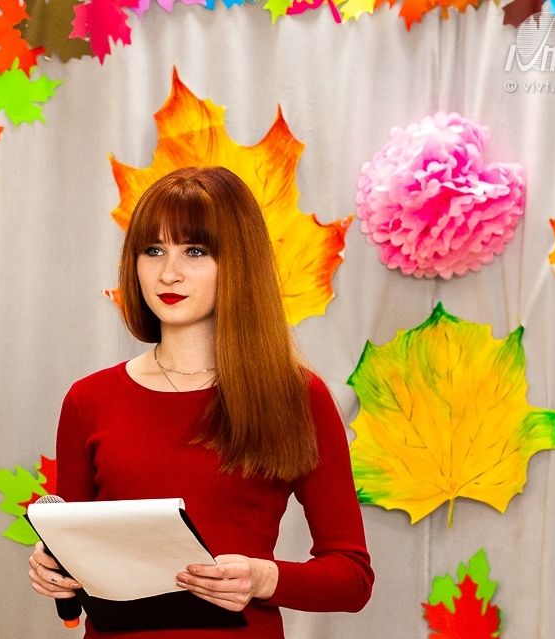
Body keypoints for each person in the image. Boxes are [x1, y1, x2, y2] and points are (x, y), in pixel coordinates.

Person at [27, 167, 373, 637]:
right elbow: (79, 549)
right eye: (153, 250)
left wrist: (263, 578)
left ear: (238, 263)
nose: (169, 273)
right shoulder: (89, 399)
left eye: (195, 251)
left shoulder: (297, 397)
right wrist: (54, 566)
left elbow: (352, 577)